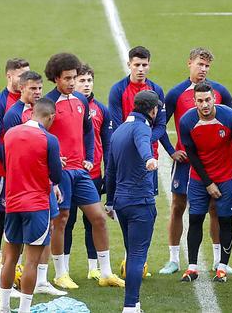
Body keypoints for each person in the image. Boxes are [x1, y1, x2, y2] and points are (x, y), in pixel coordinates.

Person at [43, 53, 122, 290]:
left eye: (74, 77)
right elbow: (39, 135)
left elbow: (89, 130)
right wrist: (52, 160)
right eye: (67, 78)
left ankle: (105, 272)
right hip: (61, 173)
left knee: (98, 217)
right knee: (62, 221)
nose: (72, 82)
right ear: (56, 78)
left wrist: (89, 157)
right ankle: (60, 273)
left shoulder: (80, 100)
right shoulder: (48, 103)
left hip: (81, 171)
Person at [162, 48, 232, 276]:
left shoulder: (219, 91)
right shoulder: (176, 93)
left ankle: (218, 260)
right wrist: (171, 151)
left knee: (216, 208)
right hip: (187, 160)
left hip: (215, 162)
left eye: (207, 66)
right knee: (178, 206)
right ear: (189, 64)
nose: (203, 69)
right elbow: (159, 125)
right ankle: (174, 259)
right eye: (200, 64)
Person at [178, 82, 232, 282]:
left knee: (225, 220)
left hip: (226, 177)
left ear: (214, 99)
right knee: (195, 219)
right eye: (200, 101)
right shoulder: (186, 121)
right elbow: (191, 153)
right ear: (194, 102)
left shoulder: (230, 118)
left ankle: (223, 267)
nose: (205, 105)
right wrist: (208, 182)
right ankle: (192, 267)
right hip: (199, 178)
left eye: (208, 100)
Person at [2, 70, 64, 297]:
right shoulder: (49, 139)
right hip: (37, 204)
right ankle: (26, 308)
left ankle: (4, 307)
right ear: (50, 117)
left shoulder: (10, 134)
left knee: (9, 257)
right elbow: (56, 177)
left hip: (13, 203)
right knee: (31, 260)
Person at [105, 90, 161, 313]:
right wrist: (149, 158)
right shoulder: (141, 128)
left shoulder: (119, 131)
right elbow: (143, 143)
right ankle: (129, 306)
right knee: (137, 255)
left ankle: (135, 304)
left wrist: (109, 202)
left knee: (132, 252)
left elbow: (110, 170)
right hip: (140, 202)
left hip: (121, 202)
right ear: (152, 110)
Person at [61, 65, 113, 281]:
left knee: (93, 220)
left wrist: (104, 169)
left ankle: (95, 268)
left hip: (92, 175)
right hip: (68, 173)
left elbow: (106, 142)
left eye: (89, 80)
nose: (86, 84)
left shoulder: (101, 109)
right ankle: (64, 269)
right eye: (82, 80)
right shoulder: (63, 105)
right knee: (67, 220)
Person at [0, 58, 30, 292]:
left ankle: (14, 269)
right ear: (9, 76)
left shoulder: (29, 102)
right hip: (4, 172)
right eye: (21, 76)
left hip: (25, 173)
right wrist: (13, 164)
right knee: (0, 219)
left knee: (19, 221)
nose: (25, 80)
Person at [106, 46, 173, 205]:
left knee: (147, 200)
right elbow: (117, 127)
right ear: (129, 65)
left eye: (144, 65)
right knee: (128, 200)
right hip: (127, 156)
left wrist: (143, 140)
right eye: (137, 65)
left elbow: (161, 125)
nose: (141, 69)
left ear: (149, 65)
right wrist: (138, 139)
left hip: (150, 154)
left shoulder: (156, 90)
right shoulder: (118, 90)